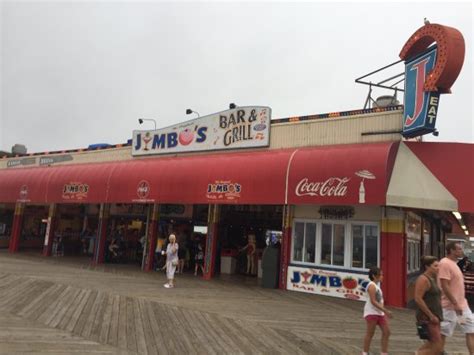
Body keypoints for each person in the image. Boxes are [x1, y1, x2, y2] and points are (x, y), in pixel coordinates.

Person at [438, 242, 474, 353]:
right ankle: (437, 351)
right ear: (452, 250)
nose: (461, 251)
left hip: (462, 307)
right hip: (450, 307)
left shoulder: (455, 263)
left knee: (471, 330)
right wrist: (455, 303)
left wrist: (459, 304)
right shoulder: (444, 263)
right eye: (458, 249)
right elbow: (444, 285)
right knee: (443, 334)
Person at [414, 256, 444, 354]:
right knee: (437, 347)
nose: (438, 268)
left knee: (432, 343)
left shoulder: (433, 278)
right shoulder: (423, 279)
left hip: (436, 315)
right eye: (435, 266)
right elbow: (418, 298)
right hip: (427, 317)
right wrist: (430, 315)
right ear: (427, 266)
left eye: (438, 266)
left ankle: (418, 352)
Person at [362, 267, 392, 355]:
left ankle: (384, 352)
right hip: (372, 312)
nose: (382, 276)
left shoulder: (377, 286)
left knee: (387, 332)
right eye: (381, 275)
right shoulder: (371, 285)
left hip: (379, 313)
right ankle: (365, 352)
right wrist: (385, 310)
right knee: (370, 333)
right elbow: (373, 301)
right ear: (374, 276)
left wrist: (383, 311)